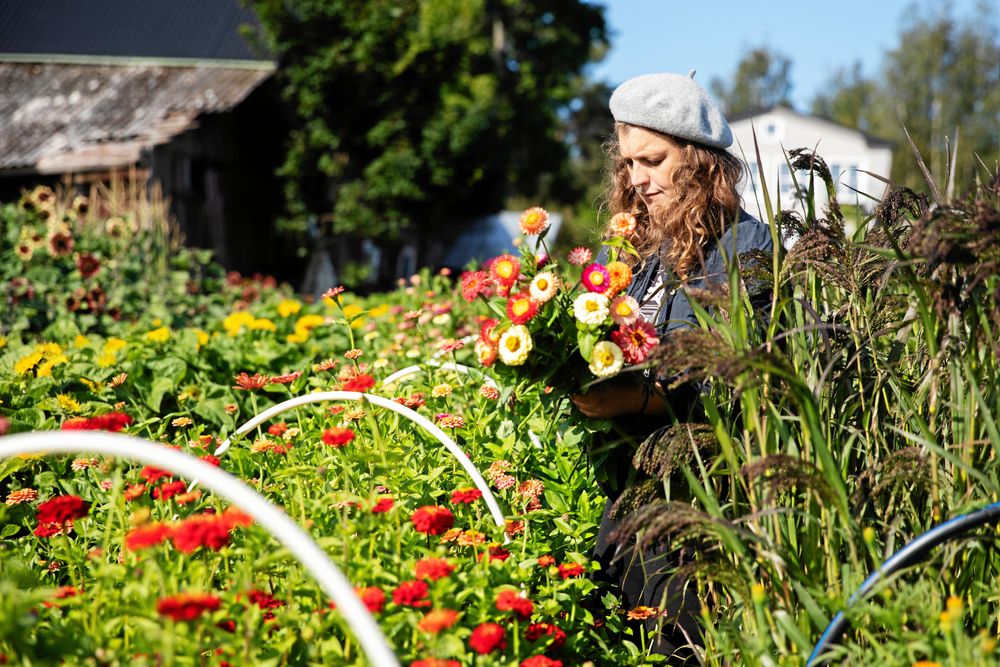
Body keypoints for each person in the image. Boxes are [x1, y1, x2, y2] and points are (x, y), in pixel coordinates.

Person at [570, 72, 774, 662]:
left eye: (653, 160)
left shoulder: (745, 248)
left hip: (698, 501)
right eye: (629, 163)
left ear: (700, 161)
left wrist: (635, 398)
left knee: (673, 648)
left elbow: (719, 379)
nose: (637, 179)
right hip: (626, 492)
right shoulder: (636, 250)